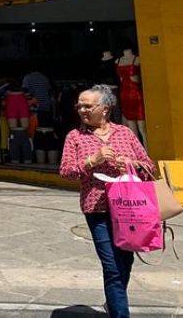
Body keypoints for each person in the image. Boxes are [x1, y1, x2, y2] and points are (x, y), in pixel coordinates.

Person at [60, 84, 154, 318]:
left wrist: (131, 165)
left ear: (104, 108)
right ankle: (120, 314)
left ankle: (113, 303)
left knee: (126, 261)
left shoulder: (124, 133)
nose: (82, 109)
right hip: (97, 208)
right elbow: (66, 171)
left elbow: (149, 165)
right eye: (79, 105)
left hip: (129, 207)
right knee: (111, 266)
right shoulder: (75, 137)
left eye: (87, 105)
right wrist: (92, 161)